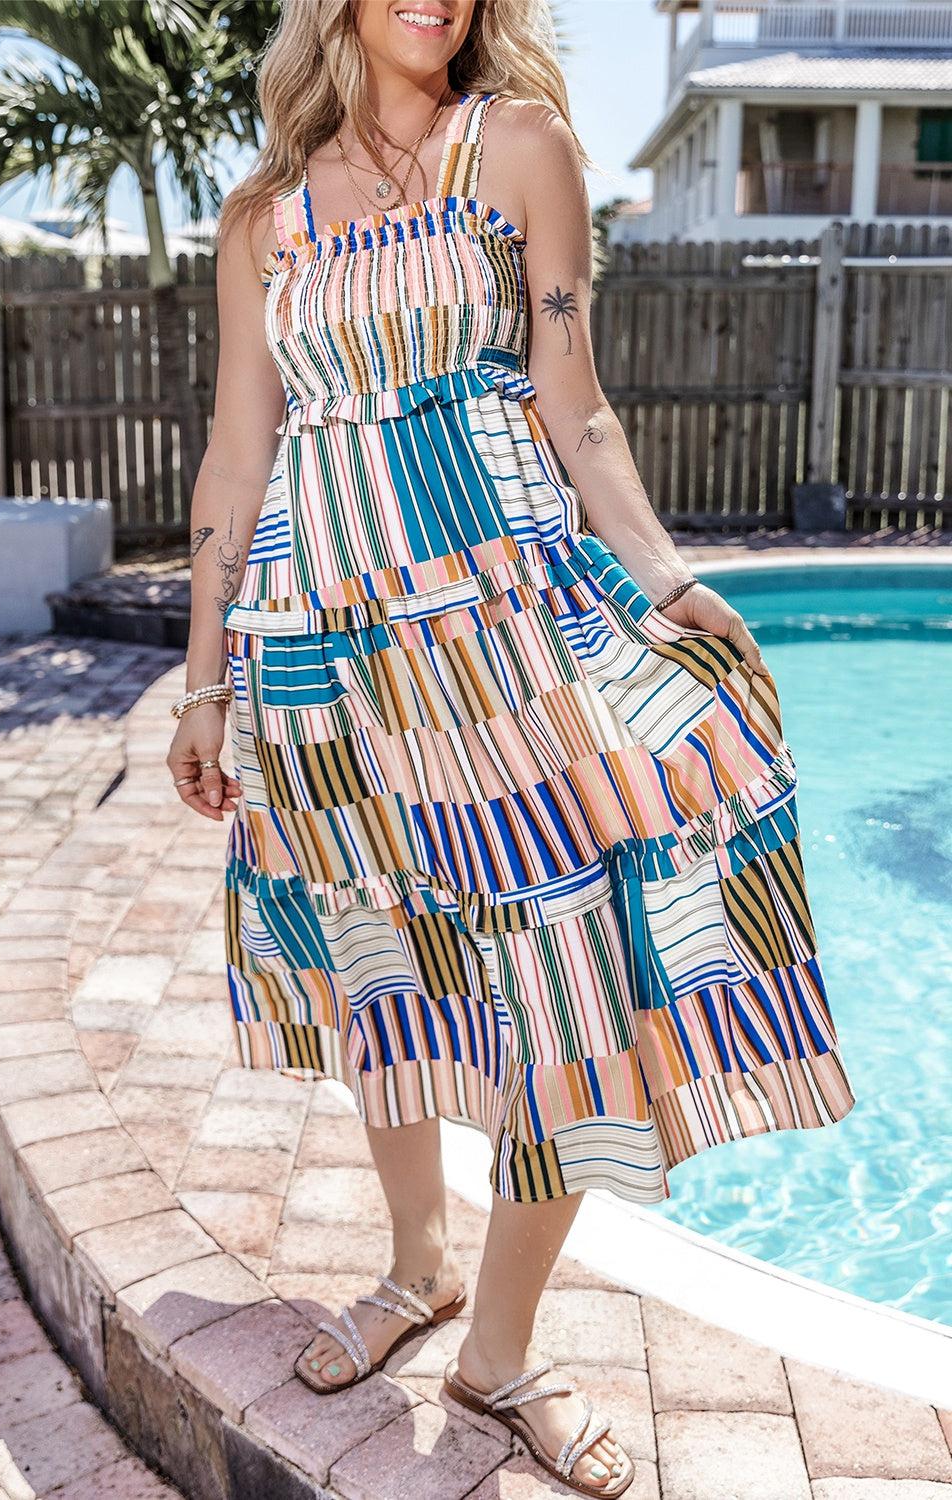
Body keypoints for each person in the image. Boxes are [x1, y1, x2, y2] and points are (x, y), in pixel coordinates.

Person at [167, 1, 857, 1493]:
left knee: (567, 973)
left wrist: (670, 579)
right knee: (380, 950)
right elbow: (239, 446)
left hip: (505, 630)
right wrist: (205, 682)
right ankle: (416, 1268)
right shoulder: (262, 220)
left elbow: (576, 405)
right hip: (318, 645)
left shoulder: (521, 148)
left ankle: (500, 1349)